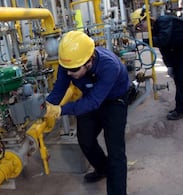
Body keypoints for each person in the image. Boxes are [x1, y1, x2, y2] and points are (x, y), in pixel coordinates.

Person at [44, 31, 130, 195]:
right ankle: (102, 168)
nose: (69, 73)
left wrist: (61, 110)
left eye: (74, 70)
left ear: (89, 60)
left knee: (115, 152)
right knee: (85, 139)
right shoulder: (70, 62)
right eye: (66, 68)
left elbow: (93, 102)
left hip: (114, 101)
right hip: (91, 97)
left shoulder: (109, 65)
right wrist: (46, 106)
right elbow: (60, 88)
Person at [131, 8, 183, 120]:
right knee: (179, 78)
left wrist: (143, 41)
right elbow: (165, 50)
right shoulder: (154, 31)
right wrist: (170, 66)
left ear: (146, 20)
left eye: (140, 26)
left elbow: (163, 40)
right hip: (177, 48)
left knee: (182, 77)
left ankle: (181, 109)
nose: (140, 29)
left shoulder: (164, 21)